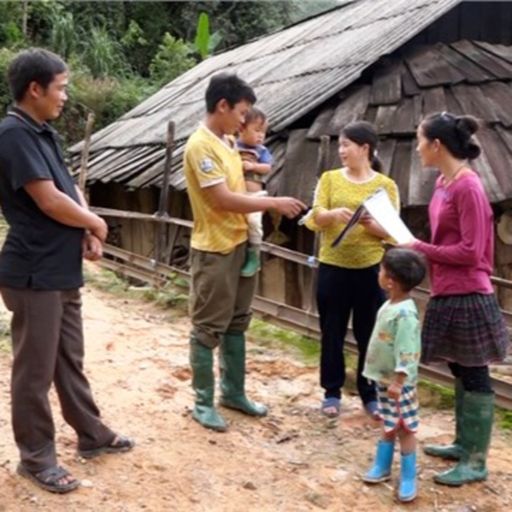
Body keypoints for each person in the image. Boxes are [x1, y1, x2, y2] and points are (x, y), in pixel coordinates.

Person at [0, 48, 134, 494]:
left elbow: (70, 188)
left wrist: (85, 230)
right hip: (33, 270)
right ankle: (36, 458)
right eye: (61, 87)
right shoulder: (13, 134)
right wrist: (96, 223)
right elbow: (48, 199)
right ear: (34, 89)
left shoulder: (43, 133)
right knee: (34, 371)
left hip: (61, 267)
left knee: (68, 360)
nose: (65, 95)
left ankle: (91, 433)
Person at [183, 73, 305, 432]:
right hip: (214, 248)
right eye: (241, 111)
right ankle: (203, 402)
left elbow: (240, 190)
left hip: (240, 243)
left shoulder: (228, 143)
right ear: (222, 106)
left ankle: (233, 393)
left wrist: (263, 202)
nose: (243, 119)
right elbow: (221, 199)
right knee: (207, 327)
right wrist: (271, 203)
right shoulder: (201, 146)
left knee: (238, 322)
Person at [406, 112, 509, 486]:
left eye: (420, 140)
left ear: (436, 145)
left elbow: (472, 251)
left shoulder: (468, 187)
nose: (416, 147)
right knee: (459, 368)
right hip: (447, 288)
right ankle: (463, 445)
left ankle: (476, 461)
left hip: (469, 291)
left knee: (475, 371)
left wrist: (418, 247)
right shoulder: (442, 183)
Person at [304, 121, 400, 419]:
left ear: (365, 148)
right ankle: (331, 391)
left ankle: (368, 392)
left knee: (368, 333)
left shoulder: (385, 186)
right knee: (331, 331)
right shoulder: (330, 179)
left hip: (370, 271)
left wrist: (373, 226)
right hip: (333, 267)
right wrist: (330, 215)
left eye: (346, 145)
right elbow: (312, 217)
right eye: (340, 145)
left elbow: (394, 232)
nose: (341, 151)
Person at [362, 248, 426, 503]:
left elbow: (408, 350)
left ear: (391, 280)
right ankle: (383, 465)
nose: (379, 273)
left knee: (405, 428)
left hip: (398, 384)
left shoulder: (405, 314)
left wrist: (400, 380)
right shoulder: (390, 304)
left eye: (381, 270)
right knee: (389, 422)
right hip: (384, 380)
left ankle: (409, 475)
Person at [236, 107, 272, 277]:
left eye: (263, 132)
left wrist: (253, 166)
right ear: (241, 128)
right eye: (256, 131)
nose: (260, 136)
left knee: (255, 224)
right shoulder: (231, 146)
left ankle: (254, 256)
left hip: (256, 196)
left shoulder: (261, 151)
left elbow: (267, 168)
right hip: (237, 195)